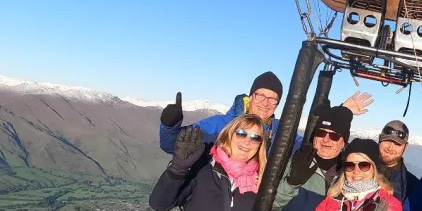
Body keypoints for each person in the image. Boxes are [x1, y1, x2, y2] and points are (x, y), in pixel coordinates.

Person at [158, 71, 373, 156]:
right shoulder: (220, 124)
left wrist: (342, 112)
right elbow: (173, 145)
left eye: (273, 99)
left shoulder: (279, 131)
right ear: (251, 96)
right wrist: (170, 125)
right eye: (261, 96)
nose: (265, 103)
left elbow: (310, 145)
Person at [148, 114, 268, 211]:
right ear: (228, 135)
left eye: (255, 138)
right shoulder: (203, 168)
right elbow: (159, 204)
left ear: (260, 145)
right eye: (241, 134)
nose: (247, 142)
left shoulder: (261, 181)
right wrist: (177, 169)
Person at [268, 103, 354, 211]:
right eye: (321, 133)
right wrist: (291, 183)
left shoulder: (350, 175)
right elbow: (270, 207)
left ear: (343, 143)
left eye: (334, 136)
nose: (326, 139)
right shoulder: (293, 164)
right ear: (314, 137)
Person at [378, 120, 419, 202]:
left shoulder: (412, 186)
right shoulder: (358, 167)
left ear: (405, 147)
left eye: (397, 144)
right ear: (380, 139)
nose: (390, 148)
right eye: (387, 140)